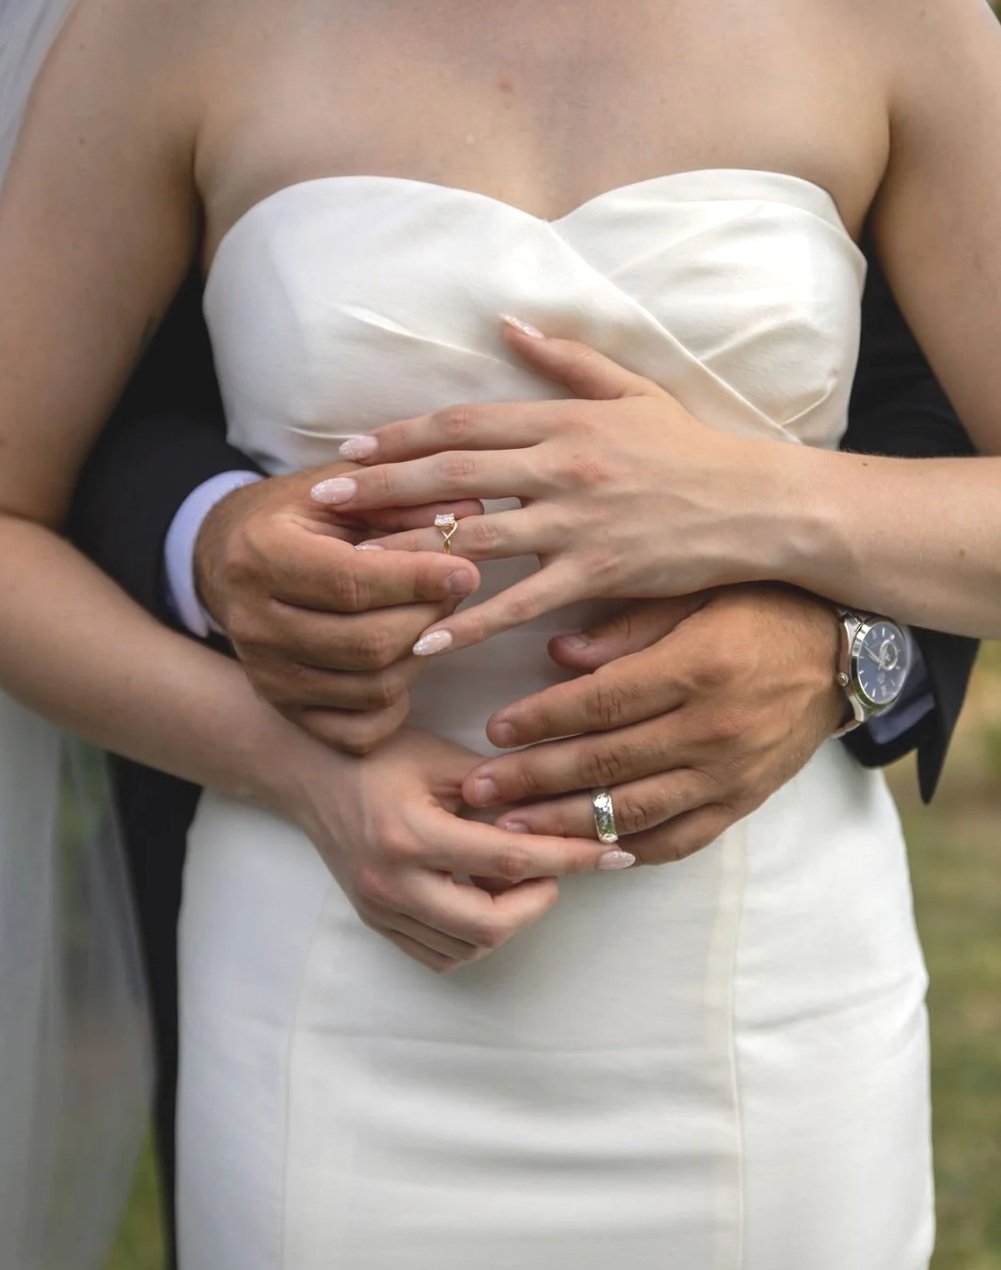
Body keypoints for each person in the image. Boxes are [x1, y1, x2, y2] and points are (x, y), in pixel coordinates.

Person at [2, 0, 1001, 1266]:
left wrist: (752, 502)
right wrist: (295, 769)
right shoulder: (167, 26)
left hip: (763, 997)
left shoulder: (900, 22)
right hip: (325, 968)